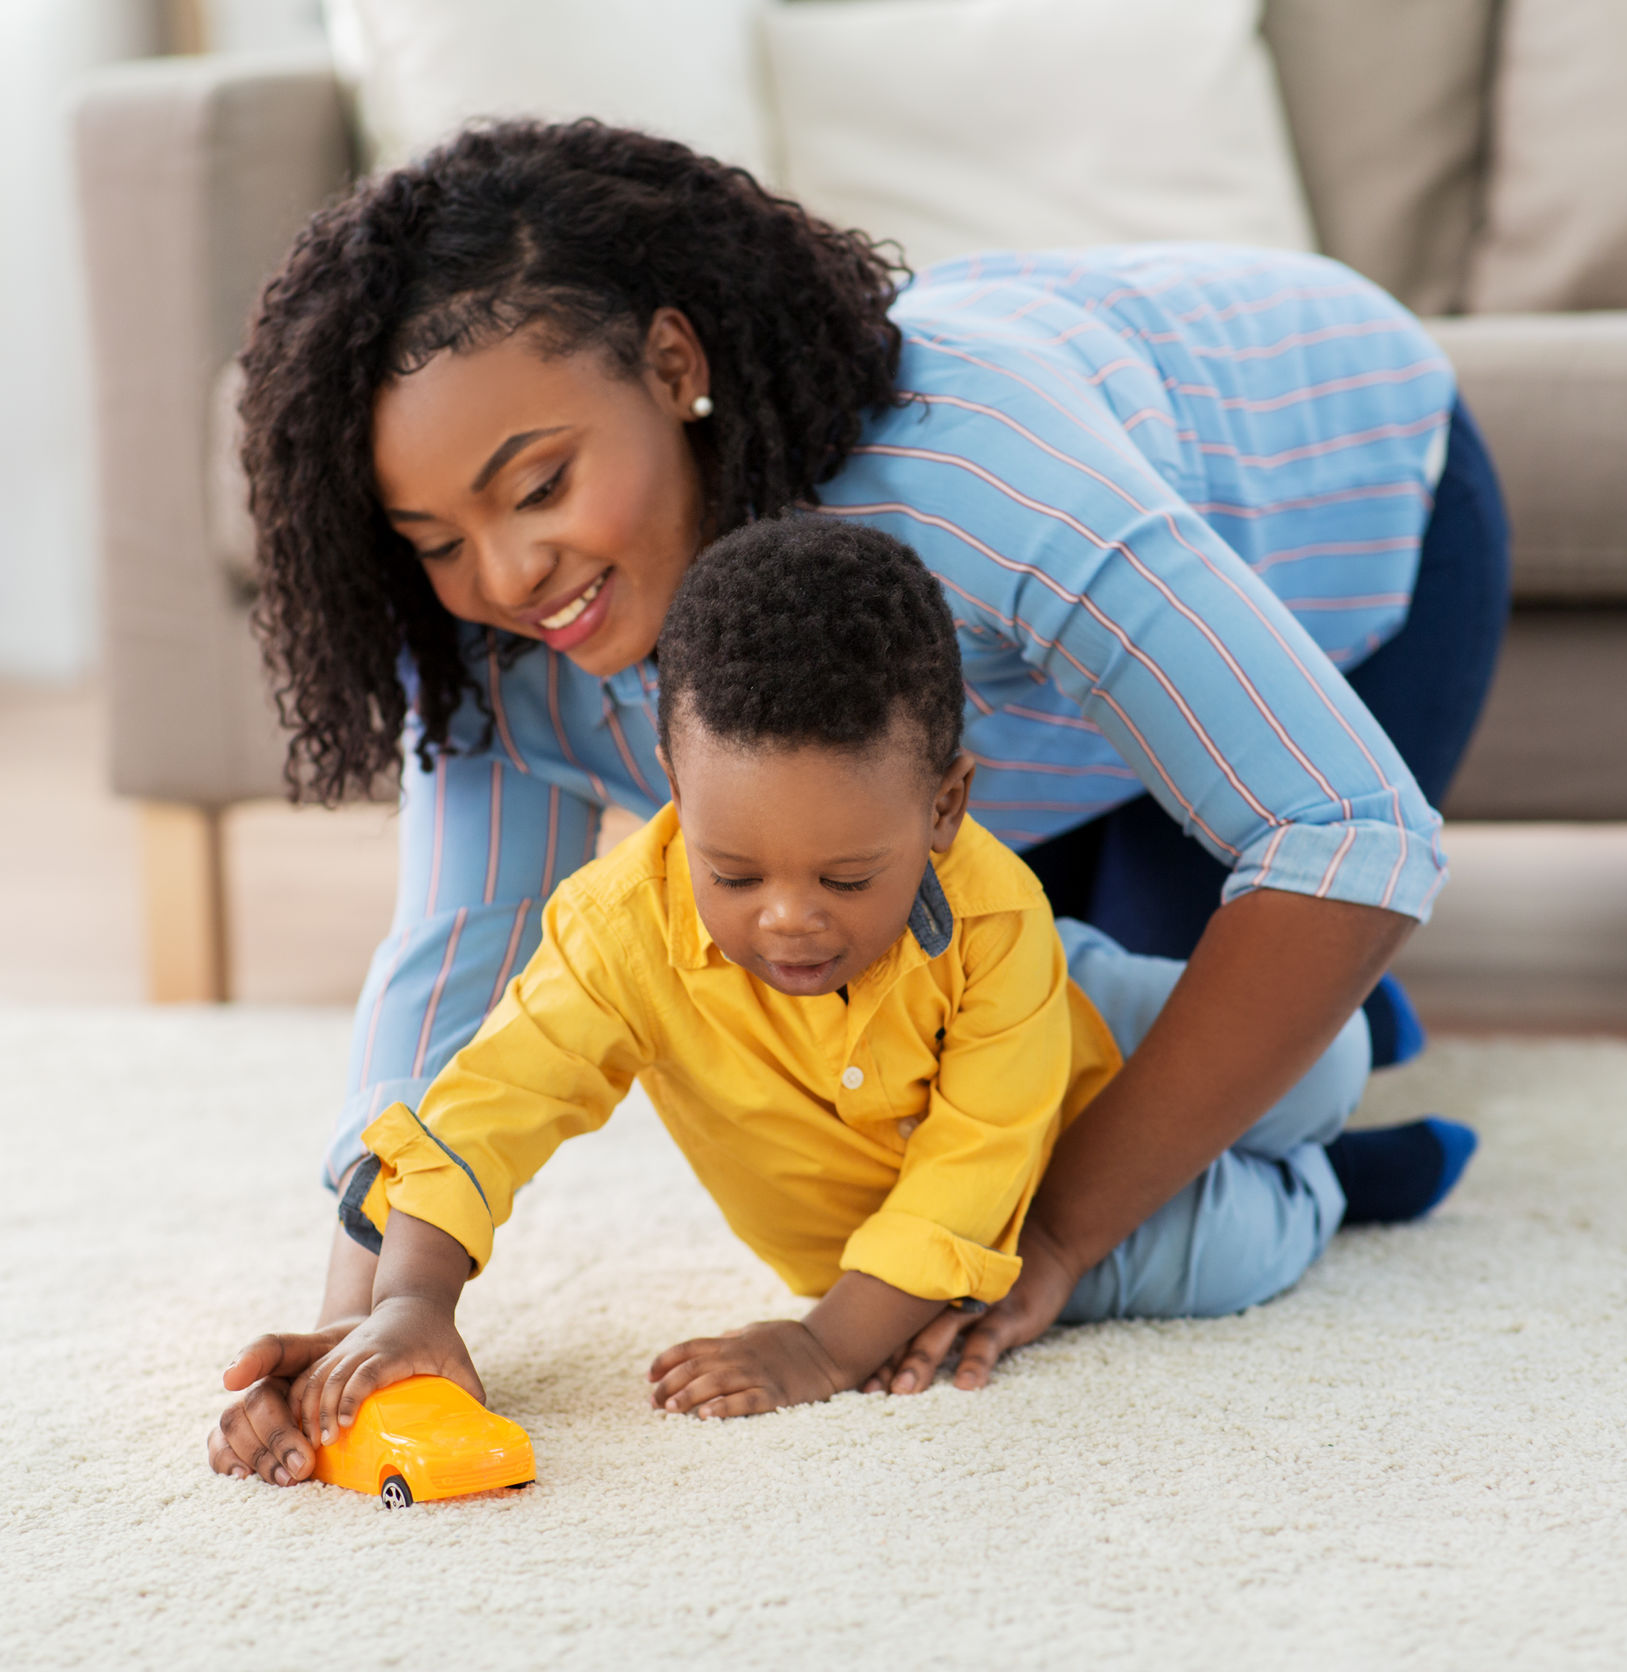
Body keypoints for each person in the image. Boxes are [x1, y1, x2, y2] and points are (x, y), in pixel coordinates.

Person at [207, 119, 1509, 1485]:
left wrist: (1050, 1240)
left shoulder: (970, 471)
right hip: (1014, 749)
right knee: (952, 1019)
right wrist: (359, 1328)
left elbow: (1346, 831)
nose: (509, 573)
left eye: (539, 486)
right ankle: (1313, 1042)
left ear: (674, 367)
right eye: (436, 545)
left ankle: (1345, 1047)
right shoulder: (495, 652)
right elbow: (459, 986)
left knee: (1190, 1021)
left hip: (1342, 504)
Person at [259, 520, 1470, 1446]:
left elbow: (978, 1137)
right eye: (733, 870)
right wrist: (414, 1293)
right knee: (1232, 1250)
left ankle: (1299, 1114)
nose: (788, 918)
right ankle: (1328, 1188)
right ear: (676, 790)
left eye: (846, 877)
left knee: (1330, 1057)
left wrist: (820, 1352)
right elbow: (493, 1102)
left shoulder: (994, 913)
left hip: (1063, 1029)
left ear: (945, 808)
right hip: (978, 1222)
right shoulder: (617, 928)